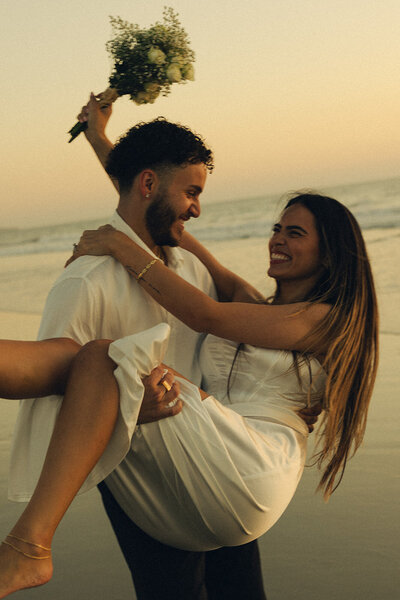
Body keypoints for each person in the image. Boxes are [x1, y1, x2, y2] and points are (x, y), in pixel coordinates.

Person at [0, 188, 377, 598]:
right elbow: (173, 222)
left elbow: (202, 314)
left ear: (328, 253)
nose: (277, 239)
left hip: (256, 462)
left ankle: (29, 547)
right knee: (95, 371)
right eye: (276, 228)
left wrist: (117, 242)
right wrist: (104, 143)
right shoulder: (253, 305)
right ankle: (27, 547)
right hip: (215, 444)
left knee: (107, 359)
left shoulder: (328, 320)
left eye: (295, 232)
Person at [0, 96, 279, 600]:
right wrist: (128, 407)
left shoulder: (187, 269)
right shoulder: (84, 281)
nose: (197, 207)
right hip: (147, 494)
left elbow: (241, 315)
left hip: (216, 463)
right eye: (191, 192)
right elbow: (55, 394)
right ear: (149, 184)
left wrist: (100, 139)